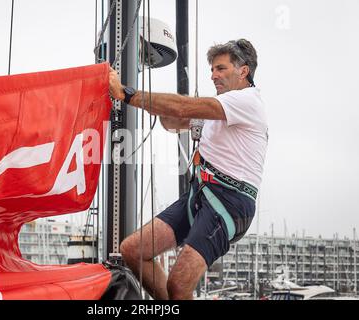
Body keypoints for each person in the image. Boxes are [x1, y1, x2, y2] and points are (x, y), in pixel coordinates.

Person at [109, 39, 268, 300]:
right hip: (200, 194)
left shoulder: (247, 101)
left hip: (230, 202)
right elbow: (172, 121)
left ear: (243, 71)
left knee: (179, 283)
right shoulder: (220, 110)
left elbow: (183, 108)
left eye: (221, 68)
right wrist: (158, 103)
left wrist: (127, 94)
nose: (213, 75)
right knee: (133, 250)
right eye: (212, 70)